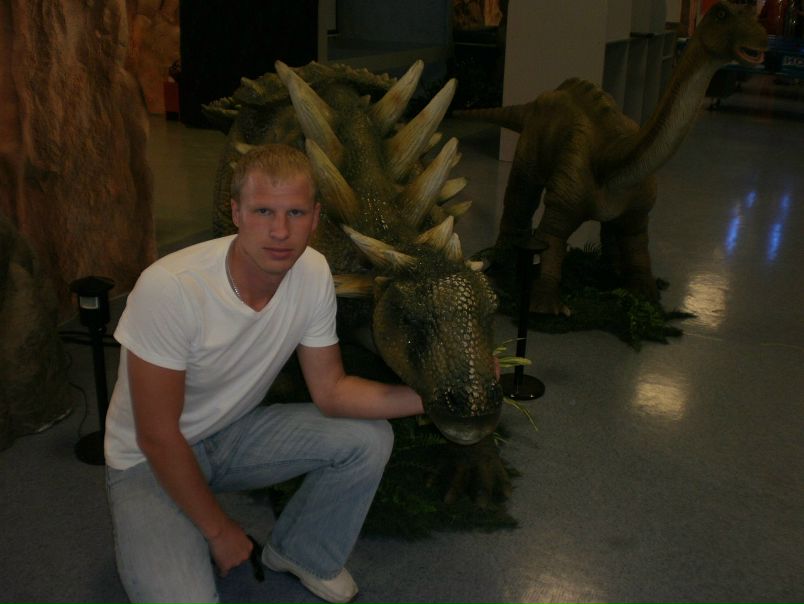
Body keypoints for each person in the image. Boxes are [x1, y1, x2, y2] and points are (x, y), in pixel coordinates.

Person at [103, 143, 424, 604]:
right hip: (147, 459)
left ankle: (303, 553)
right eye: (262, 211)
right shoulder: (171, 288)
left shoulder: (312, 271)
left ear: (315, 217)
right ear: (236, 213)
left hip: (232, 432)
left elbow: (332, 391)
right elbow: (156, 435)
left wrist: (433, 398)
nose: (280, 231)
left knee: (367, 438)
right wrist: (219, 530)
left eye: (295, 212)